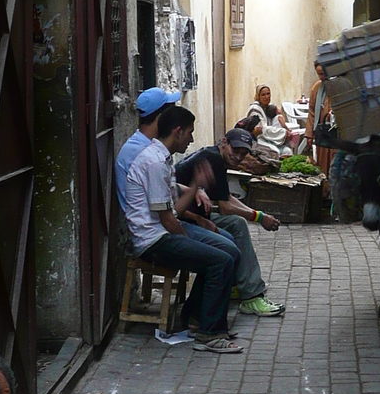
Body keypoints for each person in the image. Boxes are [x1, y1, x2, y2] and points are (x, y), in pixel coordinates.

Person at [123, 105, 238, 351]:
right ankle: (210, 335)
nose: (192, 139)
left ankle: (198, 319)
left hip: (163, 232)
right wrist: (191, 240)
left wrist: (196, 185)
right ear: (177, 132)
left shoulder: (161, 158)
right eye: (189, 133)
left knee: (226, 253)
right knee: (220, 261)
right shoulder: (153, 162)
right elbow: (167, 219)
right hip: (153, 241)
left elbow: (173, 208)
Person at [176, 127, 285, 317]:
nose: (238, 158)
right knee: (237, 225)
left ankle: (237, 283)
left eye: (243, 154)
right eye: (236, 151)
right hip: (184, 220)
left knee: (235, 224)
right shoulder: (214, 159)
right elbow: (225, 207)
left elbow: (223, 197)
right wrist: (259, 217)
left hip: (193, 217)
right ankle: (251, 295)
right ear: (224, 143)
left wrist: (258, 214)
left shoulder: (213, 155)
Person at [114, 86, 182, 209]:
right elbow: (164, 209)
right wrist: (195, 186)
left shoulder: (143, 144)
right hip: (152, 223)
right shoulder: (143, 153)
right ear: (161, 117)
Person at [305, 62, 335, 177]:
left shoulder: (339, 86)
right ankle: (323, 189)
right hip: (322, 133)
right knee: (321, 164)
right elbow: (312, 111)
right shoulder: (317, 87)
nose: (321, 77)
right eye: (319, 75)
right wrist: (309, 134)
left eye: (323, 74)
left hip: (336, 134)